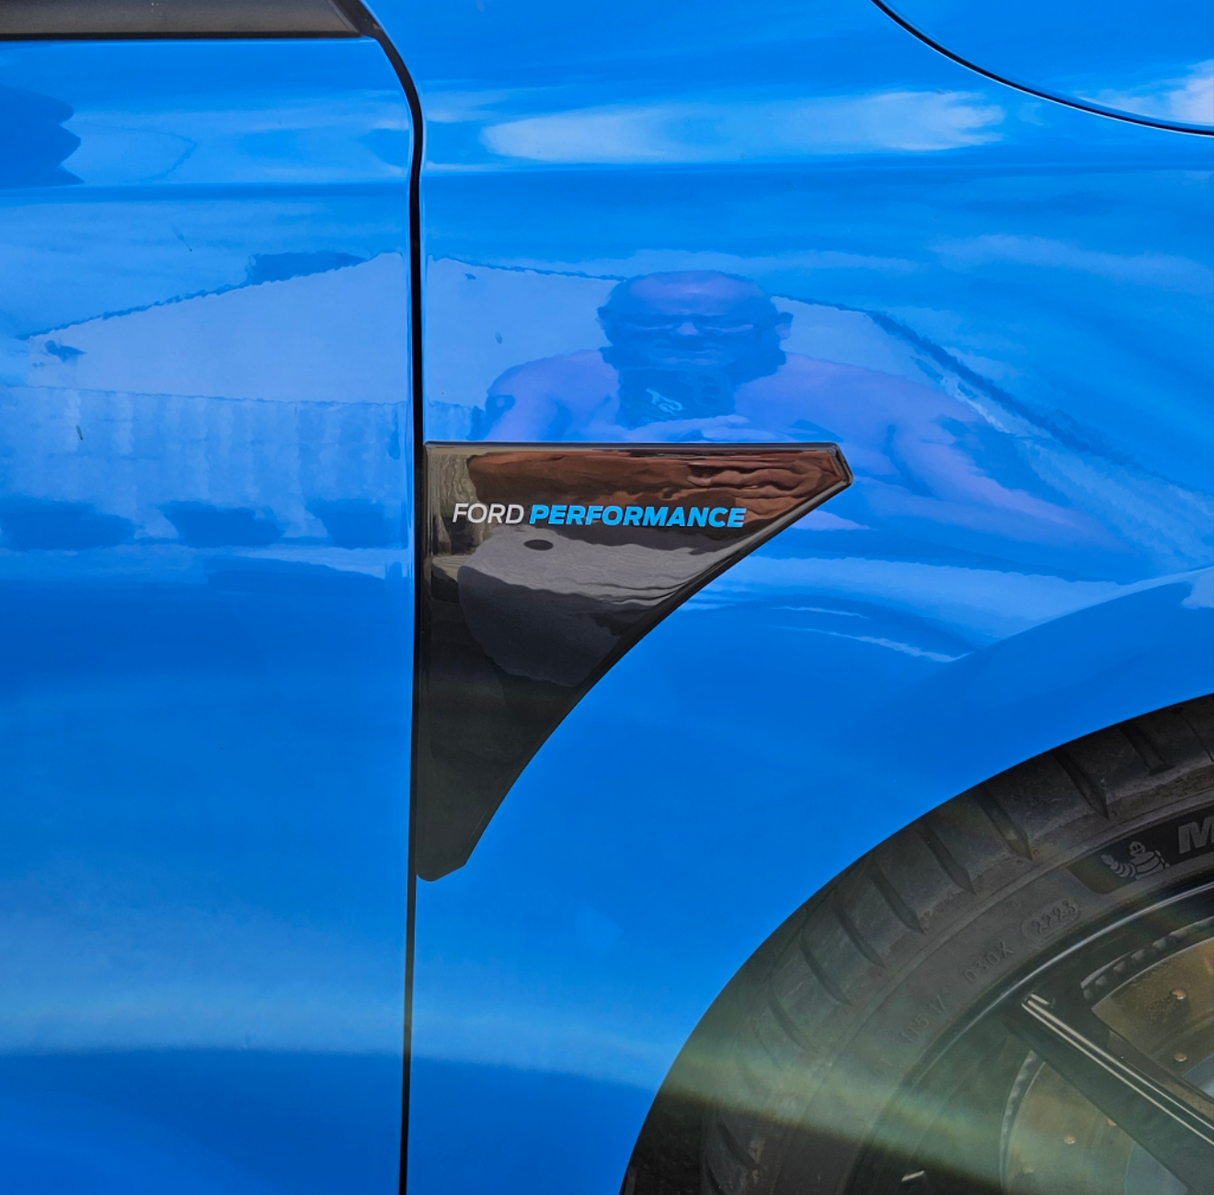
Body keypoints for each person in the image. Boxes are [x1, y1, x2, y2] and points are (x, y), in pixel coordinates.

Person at [473, 270, 1126, 567]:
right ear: (610, 327)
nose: (688, 336)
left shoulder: (883, 404)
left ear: (777, 327)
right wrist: (606, 470)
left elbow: (1087, 546)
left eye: (719, 324)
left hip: (830, 596)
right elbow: (468, 511)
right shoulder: (551, 385)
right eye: (655, 324)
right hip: (611, 588)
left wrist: (820, 485)